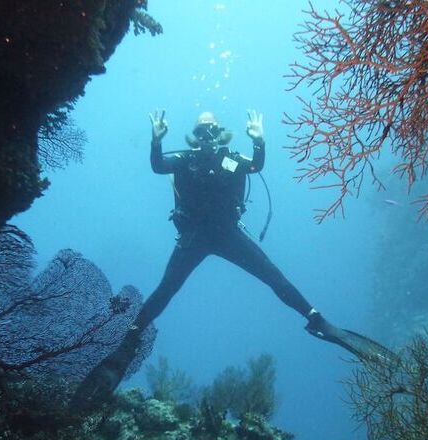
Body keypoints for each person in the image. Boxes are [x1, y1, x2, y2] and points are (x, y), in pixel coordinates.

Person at [72, 110, 391, 409]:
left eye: (212, 129)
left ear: (220, 133)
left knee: (273, 277)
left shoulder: (233, 160)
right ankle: (128, 341)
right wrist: (156, 140)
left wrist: (259, 140)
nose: (207, 134)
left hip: (227, 235)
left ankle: (319, 321)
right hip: (194, 238)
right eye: (201, 130)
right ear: (194, 136)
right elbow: (158, 166)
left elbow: (257, 166)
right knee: (165, 289)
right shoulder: (184, 160)